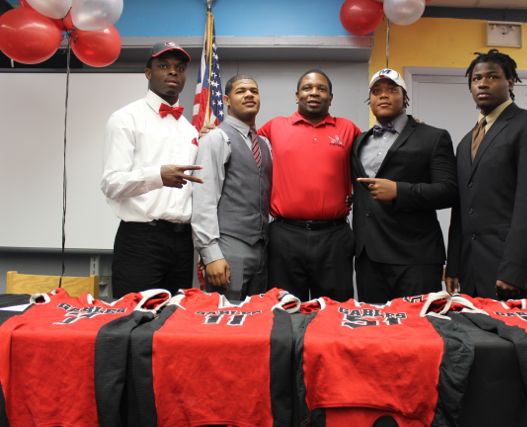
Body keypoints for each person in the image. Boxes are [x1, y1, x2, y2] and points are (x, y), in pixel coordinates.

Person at [445, 49, 527, 300]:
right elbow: (462, 207)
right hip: (473, 272)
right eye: (476, 79)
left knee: (526, 340)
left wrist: (514, 271)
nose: (483, 83)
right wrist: (454, 264)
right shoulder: (466, 142)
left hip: (516, 275)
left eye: (492, 77)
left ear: (510, 81)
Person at [101, 41, 202, 298]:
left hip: (182, 242)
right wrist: (158, 176)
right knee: (134, 321)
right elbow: (111, 183)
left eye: (179, 68)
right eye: (164, 66)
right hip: (141, 239)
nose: (172, 72)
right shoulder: (126, 118)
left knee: (174, 324)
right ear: (148, 73)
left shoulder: (189, 129)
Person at [351, 68, 457, 303]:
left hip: (415, 257)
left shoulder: (433, 137)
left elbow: (448, 191)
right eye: (377, 92)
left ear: (405, 97)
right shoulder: (359, 141)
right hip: (369, 257)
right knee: (375, 332)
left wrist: (400, 191)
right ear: (371, 101)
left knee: (418, 333)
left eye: (392, 90)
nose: (384, 96)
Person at [258, 69, 360, 302]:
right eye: (307, 88)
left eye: (321, 89)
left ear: (331, 98)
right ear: (297, 95)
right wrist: (213, 132)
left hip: (334, 237)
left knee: (334, 312)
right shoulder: (274, 127)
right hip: (285, 236)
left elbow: (376, 153)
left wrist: (410, 125)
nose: (314, 93)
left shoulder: (348, 129)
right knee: (286, 310)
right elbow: (242, 142)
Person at [191, 75, 272, 300]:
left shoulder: (264, 144)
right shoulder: (216, 139)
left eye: (254, 91)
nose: (249, 95)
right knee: (226, 323)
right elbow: (203, 199)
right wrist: (211, 255)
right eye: (241, 91)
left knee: (256, 321)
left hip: (262, 249)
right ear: (226, 99)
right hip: (228, 247)